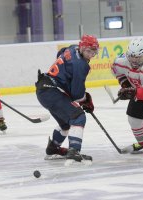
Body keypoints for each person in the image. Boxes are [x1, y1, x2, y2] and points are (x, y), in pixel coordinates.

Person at [36, 34, 99, 163]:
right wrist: (86, 100)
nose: (91, 55)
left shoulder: (73, 48)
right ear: (82, 48)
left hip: (44, 89)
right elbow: (76, 94)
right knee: (78, 116)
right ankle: (74, 151)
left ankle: (53, 148)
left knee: (66, 124)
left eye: (94, 52)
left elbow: (61, 52)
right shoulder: (81, 65)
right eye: (88, 51)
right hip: (52, 92)